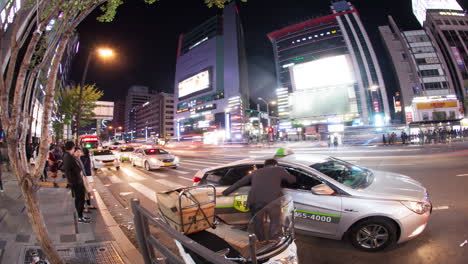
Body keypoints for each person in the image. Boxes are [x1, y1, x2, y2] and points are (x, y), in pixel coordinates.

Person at [222, 159, 296, 241]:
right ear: (275, 164)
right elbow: (292, 180)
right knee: (275, 223)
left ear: (265, 165)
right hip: (273, 201)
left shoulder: (255, 172)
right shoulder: (279, 169)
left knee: (258, 223)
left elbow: (239, 183)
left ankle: (261, 241)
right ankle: (273, 241)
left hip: (255, 200)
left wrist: (225, 192)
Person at [63, 141, 90, 224]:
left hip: (74, 181)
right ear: (72, 148)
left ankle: (80, 215)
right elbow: (76, 169)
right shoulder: (70, 157)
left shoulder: (66, 156)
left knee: (79, 199)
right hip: (76, 181)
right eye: (74, 148)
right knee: (80, 199)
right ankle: (80, 217)